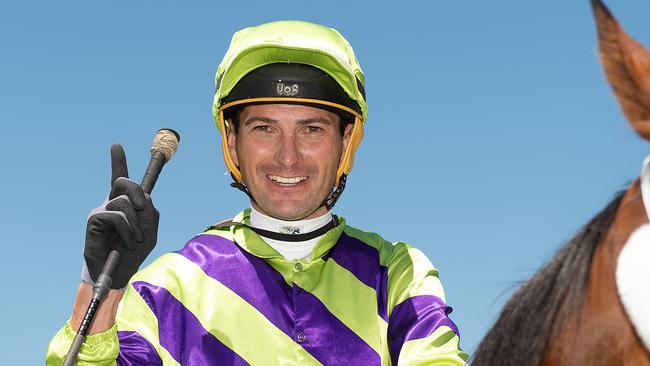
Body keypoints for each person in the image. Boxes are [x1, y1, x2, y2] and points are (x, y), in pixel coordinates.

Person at [46, 20, 468, 365]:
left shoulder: (398, 274)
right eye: (264, 128)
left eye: (312, 129)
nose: (288, 157)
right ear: (232, 143)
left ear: (346, 142)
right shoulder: (164, 287)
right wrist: (99, 288)